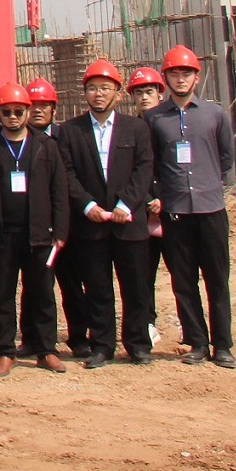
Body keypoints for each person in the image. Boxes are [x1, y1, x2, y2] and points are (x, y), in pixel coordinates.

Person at [58, 59, 157, 367]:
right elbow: (67, 173)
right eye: (92, 88)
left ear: (117, 92)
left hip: (129, 223)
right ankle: (102, 345)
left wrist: (126, 205)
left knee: (136, 288)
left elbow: (144, 169)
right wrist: (88, 206)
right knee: (97, 288)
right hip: (92, 225)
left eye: (105, 88)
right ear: (84, 93)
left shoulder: (137, 128)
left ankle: (137, 344)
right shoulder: (70, 131)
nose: (98, 94)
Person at [0, 81, 69, 375]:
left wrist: (60, 231)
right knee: (3, 292)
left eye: (18, 111)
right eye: (6, 112)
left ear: (27, 111)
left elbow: (59, 191)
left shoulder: (46, 146)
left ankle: (46, 350)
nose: (12, 117)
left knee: (43, 293)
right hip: (2, 235)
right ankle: (5, 350)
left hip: (39, 234)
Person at [146, 44, 236, 368]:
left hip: (211, 209)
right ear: (166, 78)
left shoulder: (215, 114)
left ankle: (222, 345)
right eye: (174, 73)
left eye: (186, 73)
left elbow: (226, 157)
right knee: (183, 282)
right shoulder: (154, 119)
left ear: (196, 78)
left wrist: (207, 183)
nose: (181, 79)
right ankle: (197, 342)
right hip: (176, 211)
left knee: (217, 279)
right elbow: (151, 163)